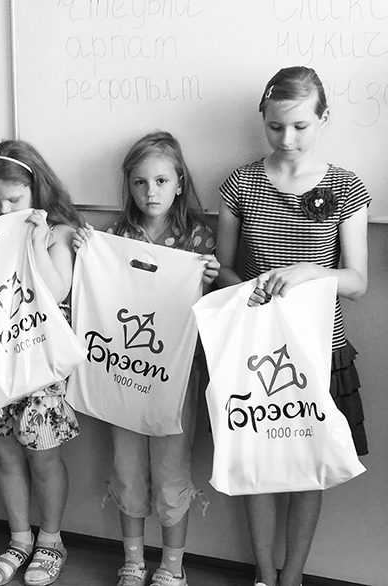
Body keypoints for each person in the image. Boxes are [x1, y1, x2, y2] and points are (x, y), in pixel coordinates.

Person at [215, 66, 369, 586]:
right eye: (275, 126)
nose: (286, 139)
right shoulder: (241, 182)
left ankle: (293, 578)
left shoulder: (346, 187)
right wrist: (248, 286)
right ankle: (264, 575)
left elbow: (357, 282)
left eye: (300, 126)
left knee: (309, 470)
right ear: (263, 120)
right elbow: (224, 268)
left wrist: (309, 271)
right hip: (257, 348)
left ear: (324, 119)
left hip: (320, 349)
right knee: (257, 467)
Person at [73, 131, 219, 586]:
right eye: (139, 182)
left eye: (160, 181)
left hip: (175, 377)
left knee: (172, 472)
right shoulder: (116, 236)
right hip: (123, 374)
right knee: (127, 468)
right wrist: (86, 254)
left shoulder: (197, 237)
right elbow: (97, 292)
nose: (150, 192)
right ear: (128, 186)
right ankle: (133, 561)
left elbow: (203, 310)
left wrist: (208, 278)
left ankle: (172, 567)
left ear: (179, 182)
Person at [0, 140, 81, 586]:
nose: (4, 208)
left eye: (14, 199)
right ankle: (19, 539)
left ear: (36, 189)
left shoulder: (59, 231)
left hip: (39, 364)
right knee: (5, 454)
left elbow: (57, 290)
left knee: (42, 456)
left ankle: (51, 540)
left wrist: (35, 240)